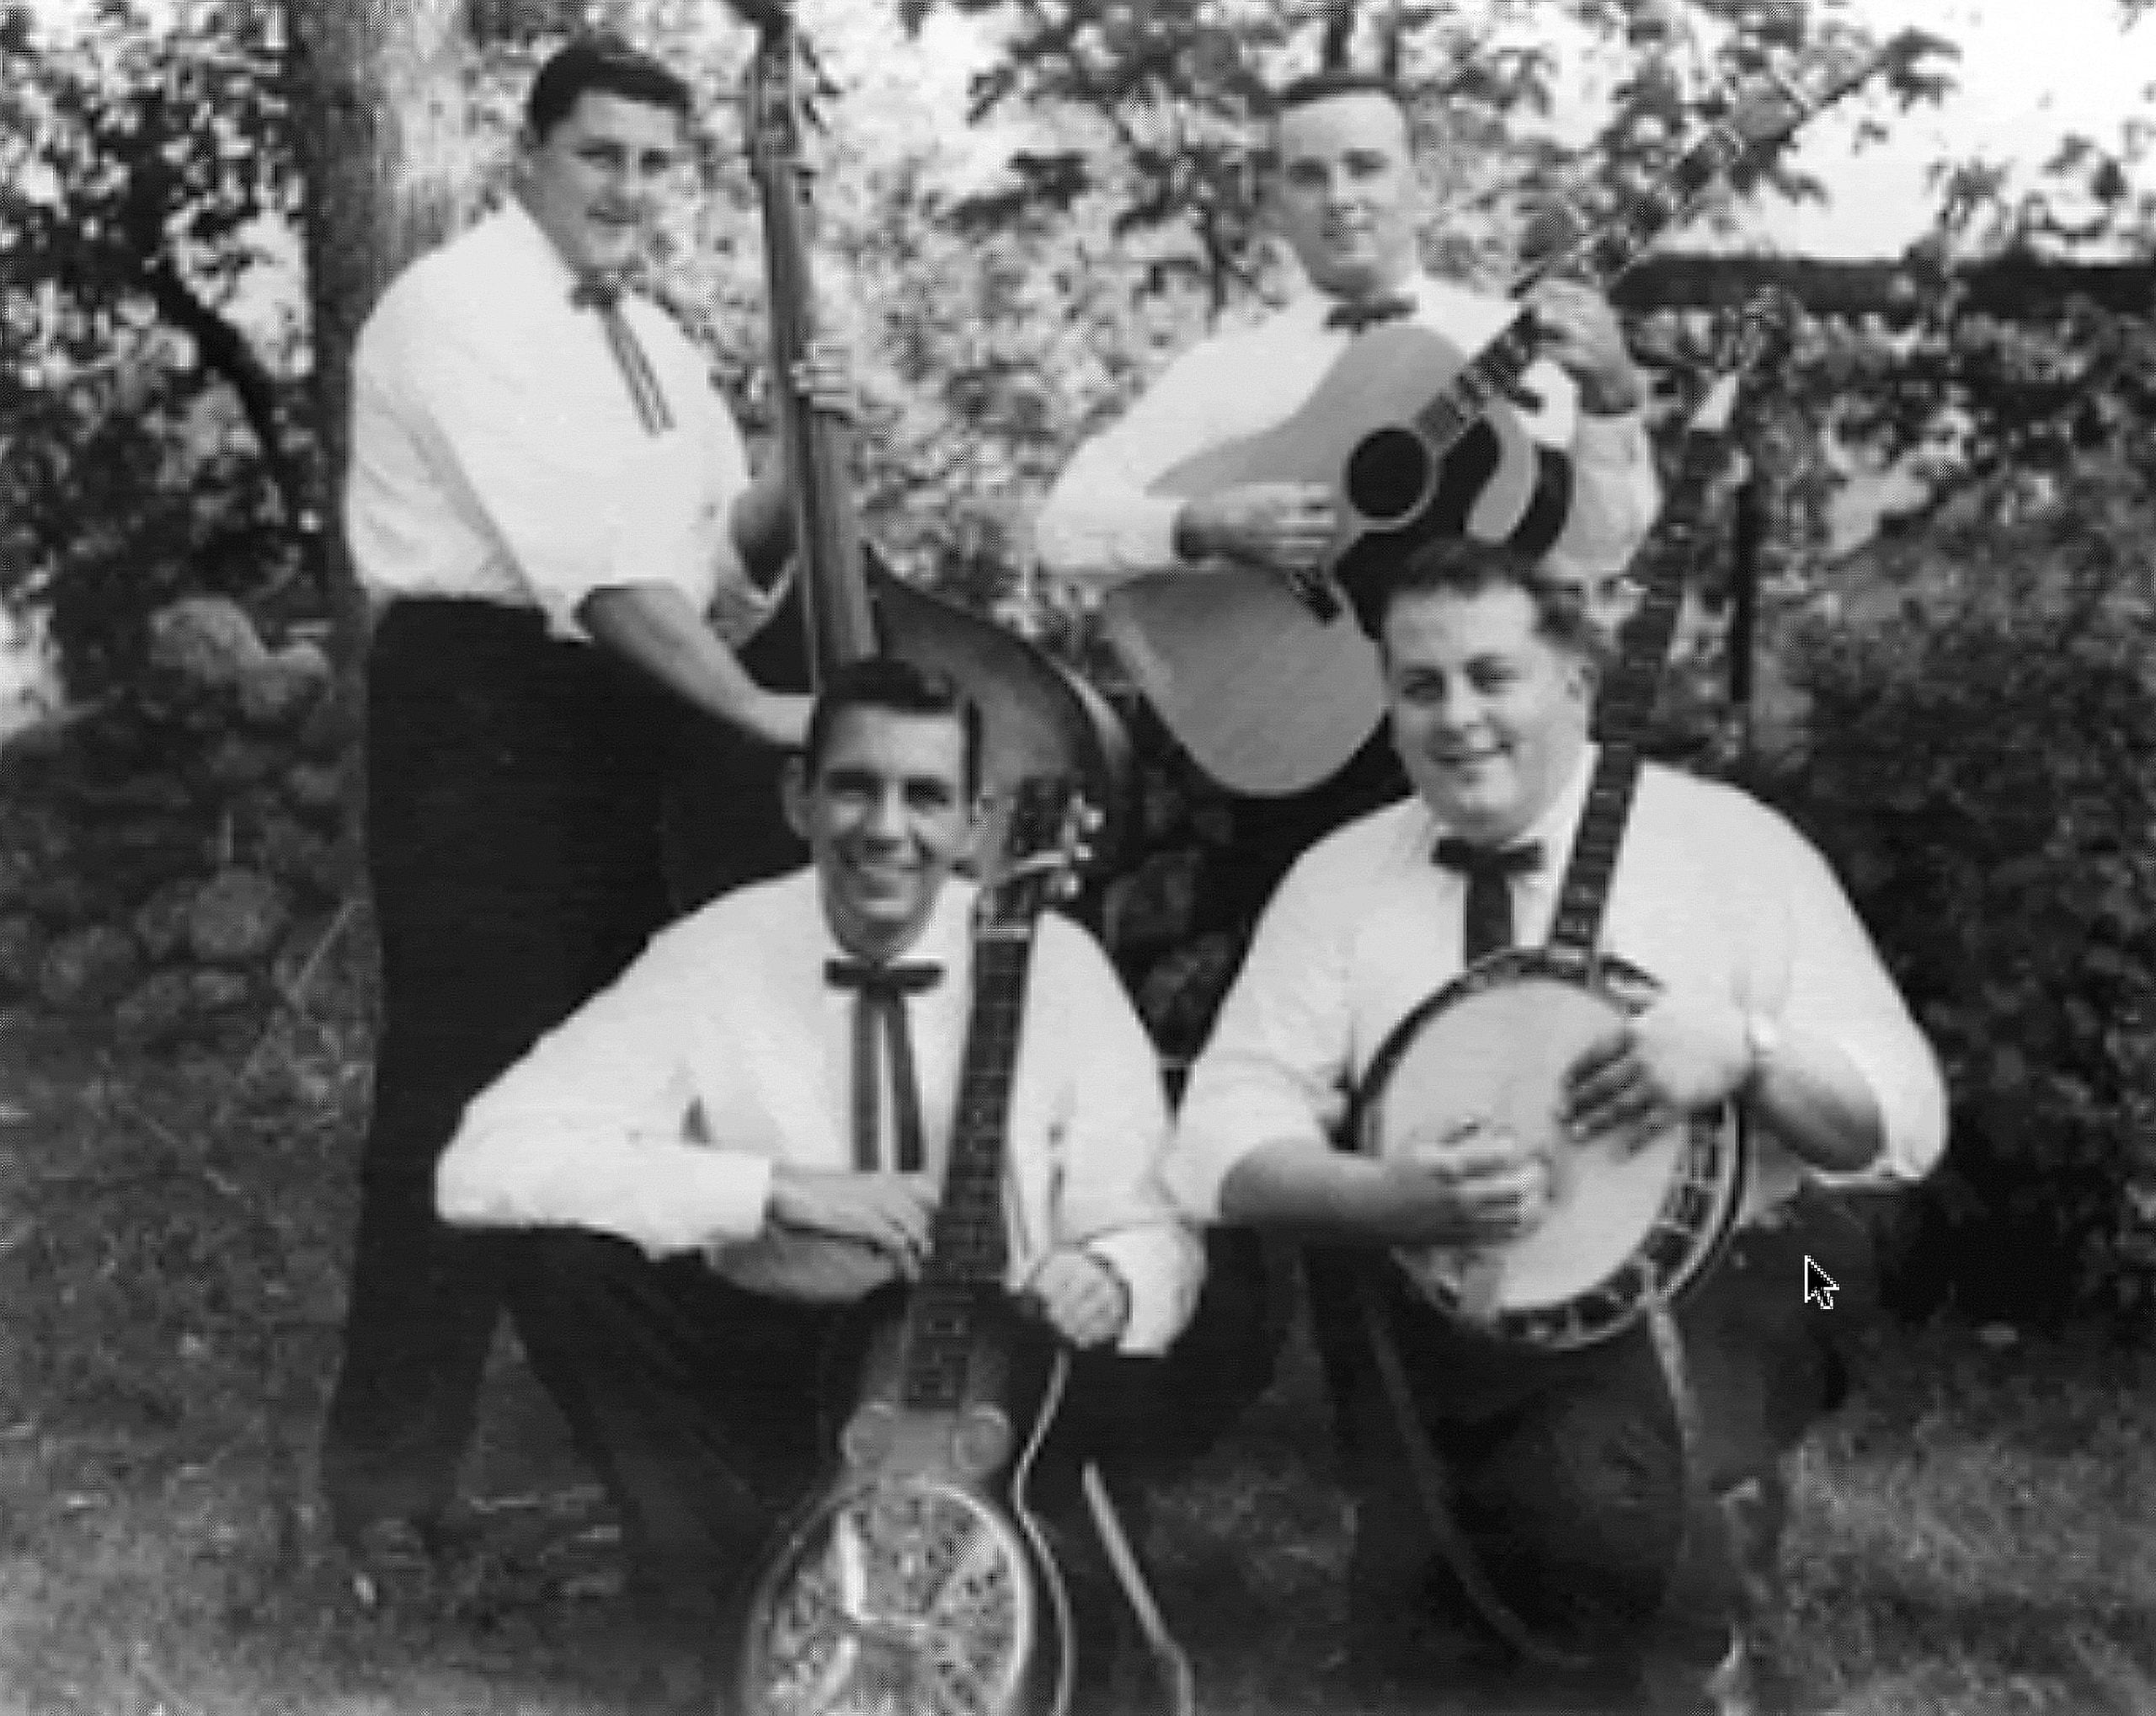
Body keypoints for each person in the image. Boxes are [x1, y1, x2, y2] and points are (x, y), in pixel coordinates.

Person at [1163, 538, 1947, 1713]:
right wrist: (1385, 1196)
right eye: (1420, 686)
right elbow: (1217, 1134)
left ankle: (1701, 1587)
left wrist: (1749, 1049)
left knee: (1604, 1506)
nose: (1457, 717)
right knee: (1437, 1628)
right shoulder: (1341, 880)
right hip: (1457, 1294)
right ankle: (1568, 1530)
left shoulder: (1727, 845)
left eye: (1493, 676)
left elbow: (1904, 1125)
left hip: (1782, 1271)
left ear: (1577, 684)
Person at [322, 34, 854, 1560]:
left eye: (653, 163)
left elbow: (711, 567)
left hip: (630, 701)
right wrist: (758, 711)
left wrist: (807, 450)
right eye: (599, 154)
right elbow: (600, 575)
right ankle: (383, 1495)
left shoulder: (660, 344)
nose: (629, 188)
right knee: (462, 1085)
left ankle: (675, 1472)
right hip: (486, 704)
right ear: (529, 157)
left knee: (632, 1084)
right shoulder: (463, 309)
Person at [434, 657, 1204, 1701]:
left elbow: (1153, 1223)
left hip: (993, 1392)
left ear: (978, 823)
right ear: (798, 798)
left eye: (925, 796)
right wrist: (772, 1190)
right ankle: (718, 1584)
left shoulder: (1055, 962)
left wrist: (1111, 1276)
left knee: (1189, 1303)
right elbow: (483, 1163)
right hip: (773, 1362)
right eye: (854, 787)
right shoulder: (713, 953)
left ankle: (1013, 1554)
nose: (886, 828)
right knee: (568, 1265)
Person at [1036, 67, 1662, 931]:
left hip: (1485, 752)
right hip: (1302, 772)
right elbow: (1064, 527)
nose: (1341, 197)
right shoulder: (1226, 376)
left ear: (1420, 181)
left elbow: (1597, 555)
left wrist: (1612, 402)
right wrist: (1201, 524)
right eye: (1309, 174)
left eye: (1365, 166)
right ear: (1275, 203)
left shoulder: (1512, 345)